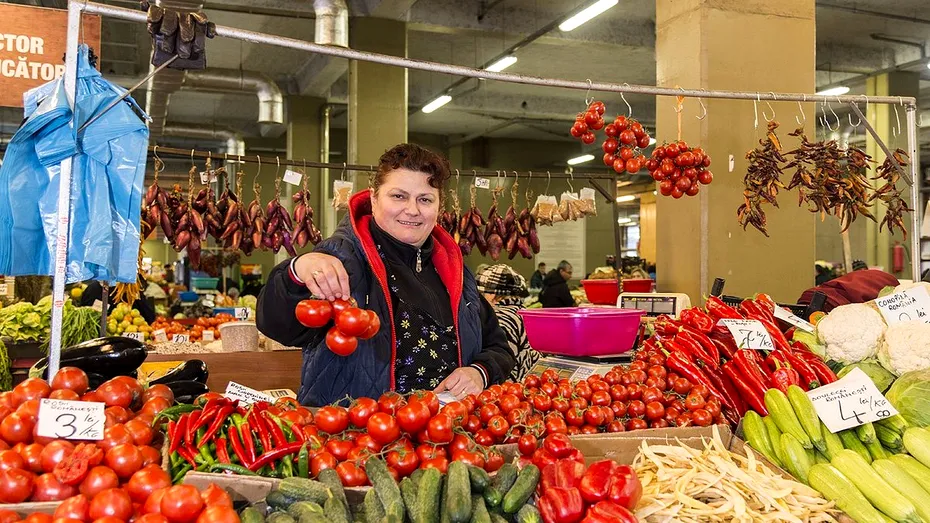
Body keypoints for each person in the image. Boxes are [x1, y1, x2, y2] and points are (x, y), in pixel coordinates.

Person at [257, 143, 515, 406]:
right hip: (355, 436)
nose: (412, 210)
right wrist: (296, 270)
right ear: (373, 198)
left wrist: (479, 372)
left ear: (438, 207)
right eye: (399, 196)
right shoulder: (341, 256)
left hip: (441, 437)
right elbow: (276, 325)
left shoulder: (454, 270)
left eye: (425, 199)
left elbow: (498, 347)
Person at [476, 264, 540, 381]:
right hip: (530, 384)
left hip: (511, 388)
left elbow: (500, 362)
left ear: (492, 294)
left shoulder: (501, 319)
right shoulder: (525, 313)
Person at [79, 276, 156, 324]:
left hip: (127, 333)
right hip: (127, 340)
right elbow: (149, 317)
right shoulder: (131, 289)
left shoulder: (131, 289)